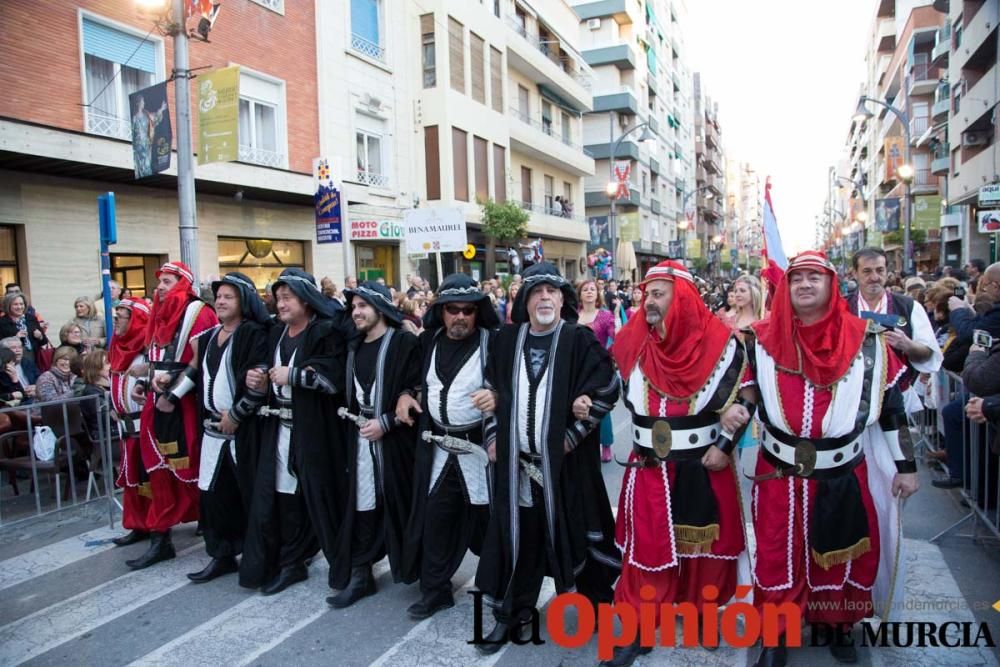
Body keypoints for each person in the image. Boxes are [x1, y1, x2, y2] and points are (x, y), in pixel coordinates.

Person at [746, 251, 918, 667]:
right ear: (786, 287)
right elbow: (744, 396)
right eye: (797, 278)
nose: (804, 284)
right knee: (775, 555)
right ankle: (776, 637)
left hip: (841, 471)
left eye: (813, 278)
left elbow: (892, 408)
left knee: (841, 554)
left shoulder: (867, 342)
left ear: (831, 285)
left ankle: (836, 625)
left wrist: (907, 467)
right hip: (779, 474)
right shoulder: (760, 340)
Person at [603, 260, 752, 666]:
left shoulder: (724, 345)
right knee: (644, 551)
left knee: (706, 552)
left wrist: (726, 442)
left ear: (681, 298)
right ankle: (638, 628)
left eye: (658, 293)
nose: (648, 301)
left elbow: (747, 399)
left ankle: (703, 617)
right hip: (648, 464)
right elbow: (606, 384)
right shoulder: (634, 340)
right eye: (646, 294)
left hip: (703, 462)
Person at [474, 262, 621, 654]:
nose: (544, 297)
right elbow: (491, 389)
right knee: (517, 537)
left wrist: (576, 428)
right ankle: (513, 612)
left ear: (562, 300)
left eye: (551, 292)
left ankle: (595, 607)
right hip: (518, 468)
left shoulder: (579, 340)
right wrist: (492, 429)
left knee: (579, 534)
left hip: (567, 469)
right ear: (524, 301)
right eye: (536, 291)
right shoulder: (506, 340)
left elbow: (609, 387)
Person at [397, 273, 498, 619]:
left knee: (491, 524)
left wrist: (498, 395)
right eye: (452, 309)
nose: (459, 316)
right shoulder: (428, 342)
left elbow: (517, 386)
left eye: (467, 310)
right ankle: (436, 590)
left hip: (480, 453)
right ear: (441, 312)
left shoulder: (494, 343)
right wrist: (405, 395)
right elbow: (410, 378)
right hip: (439, 450)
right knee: (436, 520)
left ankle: (502, 588)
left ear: (477, 312)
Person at [242, 268, 349, 595]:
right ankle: (292, 563)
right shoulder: (275, 332)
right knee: (284, 496)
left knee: (325, 496)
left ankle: (348, 569)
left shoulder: (325, 332)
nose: (281, 303)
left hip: (316, 431)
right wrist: (258, 376)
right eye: (278, 298)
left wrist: (297, 375)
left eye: (287, 298)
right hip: (280, 428)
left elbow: (335, 378)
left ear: (306, 300)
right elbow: (266, 365)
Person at [325, 281, 419, 608]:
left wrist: (388, 422)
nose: (356, 313)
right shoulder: (354, 345)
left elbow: (420, 389)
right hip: (362, 440)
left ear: (380, 308)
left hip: (397, 444)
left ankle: (426, 578)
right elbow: (330, 316)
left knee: (403, 506)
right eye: (353, 307)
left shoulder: (404, 342)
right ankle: (362, 574)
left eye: (363, 306)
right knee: (363, 506)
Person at [126, 262, 218, 570]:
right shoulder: (157, 314)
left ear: (183, 284)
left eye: (168, 281)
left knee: (192, 465)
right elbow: (156, 359)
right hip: (158, 402)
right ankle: (160, 538)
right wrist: (142, 382)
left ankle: (209, 521)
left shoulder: (198, 312)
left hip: (185, 404)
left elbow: (199, 359)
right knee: (158, 468)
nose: (161, 287)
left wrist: (173, 394)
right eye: (160, 282)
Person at [184, 273, 272, 584]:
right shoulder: (208, 337)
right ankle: (221, 554)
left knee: (247, 494)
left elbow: (260, 381)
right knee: (214, 496)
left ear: (243, 301)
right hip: (212, 432)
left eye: (228, 297)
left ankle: (256, 558)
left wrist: (236, 414)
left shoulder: (253, 333)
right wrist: (167, 386)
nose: (220, 301)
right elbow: (195, 373)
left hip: (242, 432)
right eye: (218, 296)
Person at [848, 248, 942, 414]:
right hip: (851, 401)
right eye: (867, 271)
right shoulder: (842, 308)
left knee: (896, 440)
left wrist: (907, 345)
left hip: (898, 398)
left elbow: (929, 354)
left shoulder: (909, 306)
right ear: (854, 273)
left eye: (880, 270)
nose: (874, 277)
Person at [108, 298, 154, 548]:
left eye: (121, 316)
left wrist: (147, 371)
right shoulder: (117, 348)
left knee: (149, 481)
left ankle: (157, 527)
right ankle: (138, 524)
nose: (115, 320)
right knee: (132, 480)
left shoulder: (149, 352)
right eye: (116, 315)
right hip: (125, 427)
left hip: (144, 427)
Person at [576, 279, 616, 463]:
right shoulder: (573, 315)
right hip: (578, 367)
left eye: (592, 289)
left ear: (597, 294)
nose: (589, 292)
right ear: (580, 294)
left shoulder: (605, 315)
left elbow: (614, 338)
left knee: (601, 406)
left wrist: (607, 356)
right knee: (581, 405)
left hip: (600, 367)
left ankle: (606, 444)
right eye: (585, 289)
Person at [0, 293, 47, 364]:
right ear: (8, 306)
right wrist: (15, 338)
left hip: (34, 358)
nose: (19, 307)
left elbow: (44, 341)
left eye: (21, 304)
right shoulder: (2, 322)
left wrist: (40, 336)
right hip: (13, 361)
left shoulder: (31, 318)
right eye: (15, 304)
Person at [78, 349, 111, 445]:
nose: (111, 366)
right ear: (95, 368)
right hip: (103, 435)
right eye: (107, 363)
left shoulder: (107, 387)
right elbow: (106, 417)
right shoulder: (91, 392)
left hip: (110, 430)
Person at [1, 337, 39, 403]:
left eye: (20, 347)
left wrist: (36, 387)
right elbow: (13, 396)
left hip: (35, 398)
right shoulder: (3, 370)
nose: (18, 350)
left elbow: (39, 378)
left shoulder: (27, 362)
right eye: (13, 348)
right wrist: (14, 379)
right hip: (18, 405)